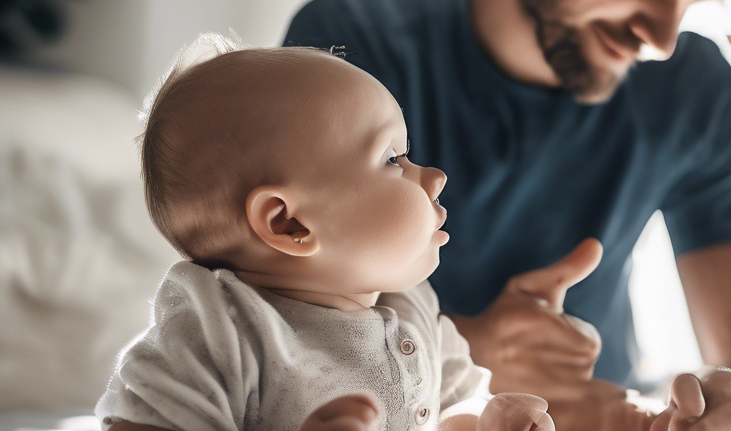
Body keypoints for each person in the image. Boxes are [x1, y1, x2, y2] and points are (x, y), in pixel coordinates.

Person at [283, 0, 731, 429]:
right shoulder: (345, 54)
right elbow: (269, 336)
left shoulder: (696, 89)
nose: (663, 39)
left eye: (692, 0)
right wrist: (469, 351)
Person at [94, 36, 570, 431]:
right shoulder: (218, 331)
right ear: (289, 224)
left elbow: (448, 410)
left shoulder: (413, 309)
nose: (433, 175)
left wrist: (487, 420)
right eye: (391, 160)